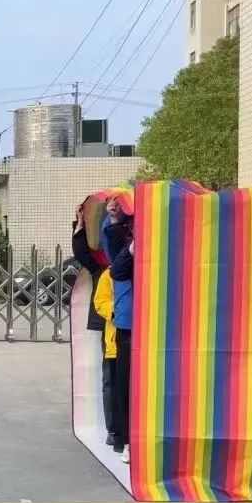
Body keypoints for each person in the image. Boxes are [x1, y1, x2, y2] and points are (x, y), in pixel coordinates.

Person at [72, 205, 113, 443]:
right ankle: (113, 430)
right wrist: (80, 224)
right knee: (111, 377)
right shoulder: (103, 266)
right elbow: (81, 252)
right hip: (111, 327)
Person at [104, 197, 134, 465]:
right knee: (126, 386)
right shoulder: (127, 247)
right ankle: (127, 440)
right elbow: (118, 270)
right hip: (129, 326)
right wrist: (114, 218)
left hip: (163, 325)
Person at [93, 267, 117, 446]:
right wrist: (117, 311)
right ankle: (113, 429)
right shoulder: (109, 274)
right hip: (115, 342)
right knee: (111, 386)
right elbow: (100, 301)